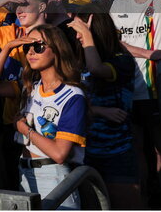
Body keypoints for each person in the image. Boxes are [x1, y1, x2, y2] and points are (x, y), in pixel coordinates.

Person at [0, 25, 88, 210]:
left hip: (54, 175)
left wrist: (25, 130)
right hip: (23, 172)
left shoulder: (73, 95)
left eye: (38, 46)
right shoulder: (30, 86)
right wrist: (7, 48)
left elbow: (59, 154)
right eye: (27, 47)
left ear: (57, 50)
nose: (31, 52)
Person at [68, 11, 139, 209]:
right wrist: (96, 110)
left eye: (82, 30)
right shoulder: (79, 62)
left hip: (115, 151)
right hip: (84, 152)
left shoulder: (121, 60)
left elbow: (97, 68)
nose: (78, 35)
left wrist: (88, 35)